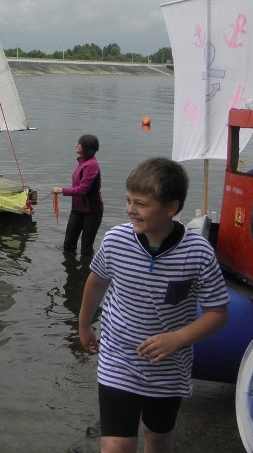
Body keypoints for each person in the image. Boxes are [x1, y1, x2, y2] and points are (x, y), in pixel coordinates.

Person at [78, 157, 228, 453]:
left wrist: (178, 338)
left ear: (171, 208)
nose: (131, 209)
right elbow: (96, 282)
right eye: (128, 200)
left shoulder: (198, 252)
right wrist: (84, 325)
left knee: (157, 438)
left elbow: (218, 314)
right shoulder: (116, 241)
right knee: (116, 446)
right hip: (118, 357)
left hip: (168, 368)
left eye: (141, 204)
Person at [53, 134, 104, 259]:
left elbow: (83, 190)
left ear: (86, 147)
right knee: (68, 244)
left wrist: (62, 190)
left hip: (92, 211)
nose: (76, 145)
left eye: (79, 143)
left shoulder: (91, 165)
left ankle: (86, 274)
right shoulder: (82, 162)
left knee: (86, 248)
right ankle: (71, 274)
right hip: (77, 209)